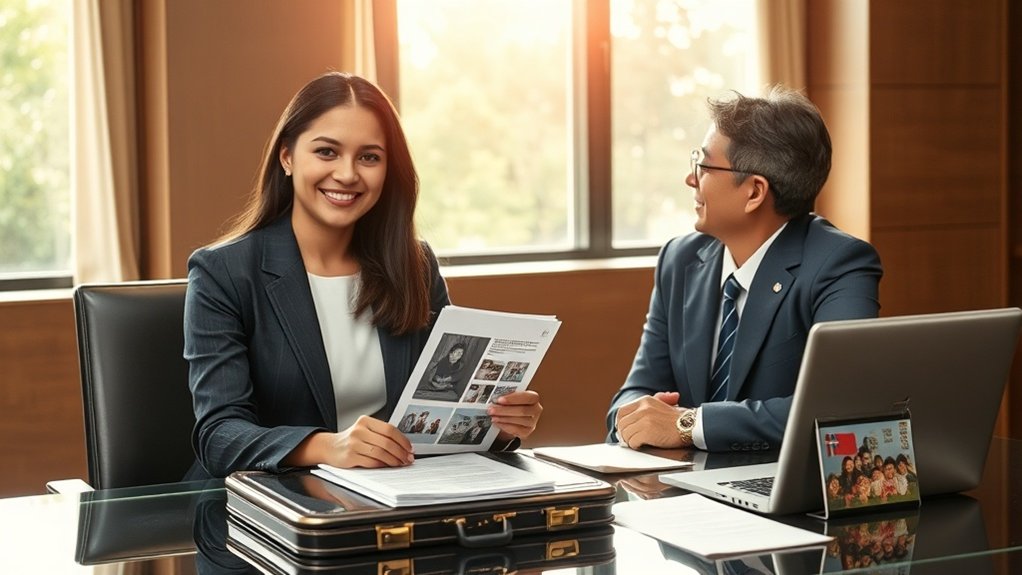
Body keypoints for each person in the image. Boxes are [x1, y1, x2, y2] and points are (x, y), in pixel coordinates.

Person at [184, 72, 542, 478]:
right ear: (287, 157)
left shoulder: (415, 265)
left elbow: (438, 413)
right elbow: (219, 435)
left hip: (388, 497)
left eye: (369, 157)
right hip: (266, 504)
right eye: (326, 152)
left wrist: (500, 426)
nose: (348, 174)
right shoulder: (223, 273)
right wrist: (329, 446)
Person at [607, 87, 882, 452]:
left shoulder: (840, 263)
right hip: (679, 491)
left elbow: (841, 404)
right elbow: (631, 398)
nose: (691, 179)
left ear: (754, 192)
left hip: (781, 497)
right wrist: (637, 418)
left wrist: (688, 424)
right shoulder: (680, 260)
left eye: (703, 166)